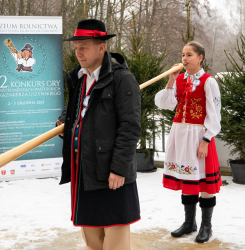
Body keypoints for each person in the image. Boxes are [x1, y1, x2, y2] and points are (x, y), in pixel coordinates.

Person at [56, 19, 141, 250]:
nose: (78, 52)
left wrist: (118, 169)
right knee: (92, 241)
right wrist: (66, 120)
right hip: (85, 171)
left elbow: (130, 127)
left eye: (83, 46)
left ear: (101, 47)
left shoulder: (122, 79)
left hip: (112, 174)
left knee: (115, 242)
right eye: (76, 48)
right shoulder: (80, 77)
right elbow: (79, 108)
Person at [155, 41, 222, 243]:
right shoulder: (180, 79)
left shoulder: (209, 82)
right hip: (180, 135)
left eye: (189, 55)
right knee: (188, 180)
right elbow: (165, 104)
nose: (184, 59)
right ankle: (189, 222)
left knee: (204, 184)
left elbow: (215, 114)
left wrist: (205, 140)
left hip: (198, 136)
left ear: (200, 57)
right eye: (183, 54)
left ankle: (206, 226)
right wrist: (170, 81)